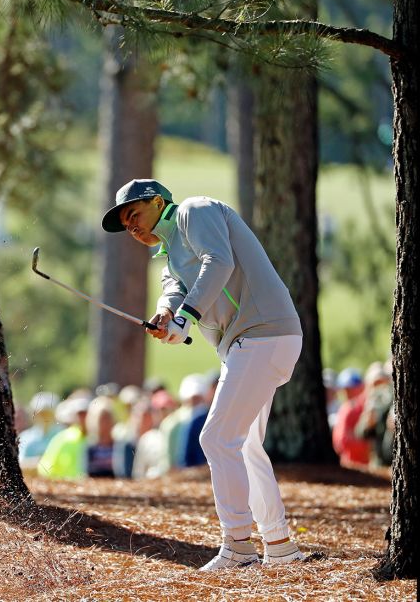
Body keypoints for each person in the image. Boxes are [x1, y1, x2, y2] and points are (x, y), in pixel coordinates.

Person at [101, 179, 306, 570]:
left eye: (134, 215)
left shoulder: (194, 211)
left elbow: (219, 261)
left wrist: (187, 317)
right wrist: (167, 315)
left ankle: (239, 548)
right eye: (126, 225)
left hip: (262, 335)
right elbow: (173, 290)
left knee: (216, 438)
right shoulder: (167, 252)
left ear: (158, 202)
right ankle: (279, 546)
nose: (131, 227)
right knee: (243, 445)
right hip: (254, 342)